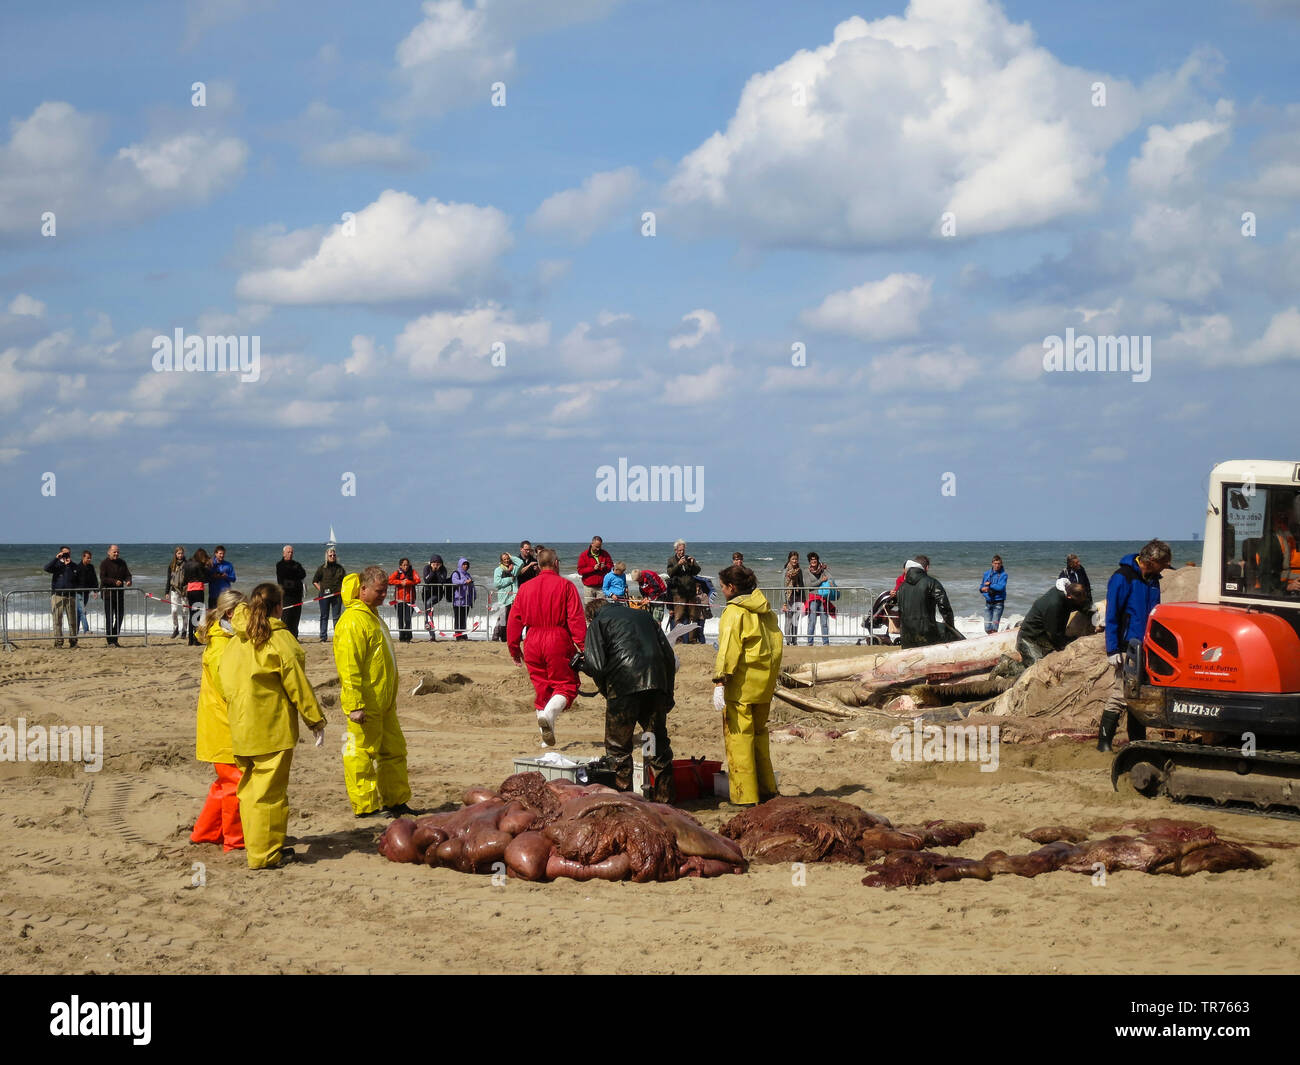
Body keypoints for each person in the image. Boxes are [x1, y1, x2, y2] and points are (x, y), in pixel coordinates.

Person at [218, 583, 325, 869]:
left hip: (242, 727)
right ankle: (265, 855)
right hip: (271, 729)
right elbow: (297, 684)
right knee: (270, 794)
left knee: (250, 791)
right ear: (279, 607)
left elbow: (222, 678)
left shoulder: (236, 641)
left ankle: (259, 847)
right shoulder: (280, 640)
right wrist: (314, 720)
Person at [334, 567, 412, 817]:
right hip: (365, 704)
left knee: (394, 750)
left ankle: (396, 800)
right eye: (379, 591)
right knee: (360, 754)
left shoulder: (372, 616)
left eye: (385, 591)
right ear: (363, 589)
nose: (383, 595)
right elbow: (349, 667)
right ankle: (365, 808)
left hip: (384, 701)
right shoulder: (352, 621)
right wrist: (355, 703)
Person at [581, 598, 676, 801]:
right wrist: (668, 691)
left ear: (590, 616)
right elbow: (668, 655)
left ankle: (625, 801)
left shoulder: (598, 623)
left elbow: (596, 665)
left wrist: (582, 666)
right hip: (656, 682)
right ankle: (663, 801)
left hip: (624, 687)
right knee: (656, 743)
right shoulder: (644, 616)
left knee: (618, 748)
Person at [712, 564, 782, 806]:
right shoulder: (766, 611)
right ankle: (767, 789)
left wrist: (720, 681)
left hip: (740, 687)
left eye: (722, 586)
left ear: (732, 588)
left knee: (739, 739)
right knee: (760, 736)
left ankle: (745, 796)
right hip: (763, 686)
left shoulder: (734, 612)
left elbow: (729, 650)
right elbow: (775, 647)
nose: (721, 591)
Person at [507, 547, 586, 747]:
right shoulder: (566, 586)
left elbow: (514, 621)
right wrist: (584, 647)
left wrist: (514, 650)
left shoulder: (525, 588)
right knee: (566, 685)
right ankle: (549, 716)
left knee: (542, 687)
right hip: (557, 638)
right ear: (556, 563)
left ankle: (545, 737)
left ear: (538, 565)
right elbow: (575, 620)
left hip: (532, 638)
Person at [1098, 539, 1172, 752]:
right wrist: (1112, 649)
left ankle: (1137, 742)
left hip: (1148, 647)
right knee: (1121, 694)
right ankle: (1103, 743)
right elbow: (1112, 616)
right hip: (1126, 647)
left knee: (1139, 696)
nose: (1165, 568)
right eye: (1164, 564)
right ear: (1151, 561)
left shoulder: (1153, 579)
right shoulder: (1122, 578)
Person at [191, 588, 247, 852]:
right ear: (231, 613)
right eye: (244, 611)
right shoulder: (221, 645)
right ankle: (235, 839)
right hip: (222, 723)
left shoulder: (227, 639)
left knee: (225, 781)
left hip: (221, 721)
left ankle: (206, 832)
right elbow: (230, 688)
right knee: (235, 781)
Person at [1017, 581, 1089, 669]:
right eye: (1078, 601)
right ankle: (1006, 664)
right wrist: (1064, 644)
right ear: (1069, 597)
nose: (1079, 604)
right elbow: (1053, 632)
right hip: (1029, 638)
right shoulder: (1054, 604)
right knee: (1036, 667)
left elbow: (1082, 605)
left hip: (1043, 636)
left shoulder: (1069, 592)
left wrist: (1094, 615)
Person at [897, 555, 955, 648]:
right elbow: (944, 607)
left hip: (906, 635)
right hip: (927, 633)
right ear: (927, 567)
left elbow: (900, 612)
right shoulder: (931, 582)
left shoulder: (901, 587)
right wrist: (951, 628)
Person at [44, 546, 80, 649]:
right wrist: (56, 558)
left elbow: (78, 579)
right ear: (60, 553)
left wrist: (69, 566)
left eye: (68, 553)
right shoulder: (57, 565)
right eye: (64, 553)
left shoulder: (73, 566)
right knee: (57, 620)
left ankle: (73, 641)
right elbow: (46, 568)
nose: (66, 555)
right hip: (57, 596)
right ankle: (58, 642)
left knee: (72, 621)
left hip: (70, 596)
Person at [666, 539, 701, 638]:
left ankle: (692, 638)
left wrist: (693, 563)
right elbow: (670, 573)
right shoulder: (671, 560)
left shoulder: (688, 558)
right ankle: (679, 638)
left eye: (683, 550)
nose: (682, 552)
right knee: (679, 616)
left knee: (693, 616)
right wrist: (679, 565)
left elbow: (697, 571)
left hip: (691, 592)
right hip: (678, 592)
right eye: (680, 550)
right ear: (676, 550)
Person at [99, 544, 132, 647]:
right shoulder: (104, 563)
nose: (116, 554)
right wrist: (114, 582)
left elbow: (128, 574)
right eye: (114, 552)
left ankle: (115, 638)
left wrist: (128, 581)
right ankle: (110, 641)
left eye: (117, 552)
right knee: (109, 618)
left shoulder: (122, 562)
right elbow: (103, 578)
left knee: (120, 616)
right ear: (109, 552)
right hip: (108, 594)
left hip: (119, 594)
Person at [313, 546, 345, 642]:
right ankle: (323, 636)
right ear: (327, 556)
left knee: (336, 617)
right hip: (324, 596)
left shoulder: (340, 568)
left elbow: (345, 581)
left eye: (334, 555)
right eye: (330, 555)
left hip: (337, 596)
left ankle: (338, 636)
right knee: (324, 616)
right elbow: (315, 581)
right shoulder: (322, 568)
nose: (332, 557)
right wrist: (321, 590)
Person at [276, 545, 308, 639]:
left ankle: (294, 637)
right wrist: (294, 576)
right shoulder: (280, 565)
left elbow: (303, 574)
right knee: (286, 618)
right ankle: (286, 638)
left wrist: (293, 576)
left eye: (291, 552)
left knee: (296, 618)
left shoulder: (296, 564)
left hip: (297, 596)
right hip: (286, 596)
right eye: (288, 552)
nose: (290, 554)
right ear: (284, 553)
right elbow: (283, 578)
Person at [804, 552, 835, 646]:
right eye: (811, 560)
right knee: (812, 622)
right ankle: (810, 643)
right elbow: (809, 585)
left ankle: (826, 643)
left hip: (823, 599)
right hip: (813, 598)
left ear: (817, 560)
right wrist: (821, 581)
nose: (813, 561)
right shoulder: (806, 571)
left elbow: (831, 578)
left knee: (824, 622)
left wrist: (826, 571)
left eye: (815, 559)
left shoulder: (822, 570)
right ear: (809, 561)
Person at [183, 548, 210, 645]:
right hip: (198, 590)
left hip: (190, 590)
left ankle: (190, 639)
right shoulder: (198, 565)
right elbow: (203, 578)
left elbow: (185, 579)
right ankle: (196, 639)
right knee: (197, 615)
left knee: (191, 613)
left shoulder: (187, 564)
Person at [388, 558, 418, 643]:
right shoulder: (397, 572)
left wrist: (407, 582)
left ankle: (408, 636)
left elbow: (417, 580)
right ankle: (401, 637)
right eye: (404, 565)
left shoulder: (413, 572)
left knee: (408, 619)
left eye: (407, 565)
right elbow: (389, 580)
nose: (406, 566)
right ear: (400, 566)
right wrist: (400, 582)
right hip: (398, 600)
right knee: (400, 619)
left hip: (410, 599)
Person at [421, 554, 450, 640]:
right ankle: (431, 634)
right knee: (429, 612)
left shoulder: (443, 569)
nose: (436, 564)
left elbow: (442, 581)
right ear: (430, 563)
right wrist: (432, 571)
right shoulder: (426, 568)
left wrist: (437, 571)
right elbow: (427, 580)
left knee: (429, 604)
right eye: (434, 563)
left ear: (441, 563)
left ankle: (428, 624)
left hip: (437, 594)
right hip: (426, 592)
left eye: (438, 563)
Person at [577, 535, 614, 602]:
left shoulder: (605, 554)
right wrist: (593, 568)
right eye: (596, 547)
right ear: (592, 544)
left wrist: (605, 567)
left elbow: (611, 566)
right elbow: (580, 571)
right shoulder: (584, 555)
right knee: (589, 608)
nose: (598, 549)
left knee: (602, 608)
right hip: (589, 587)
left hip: (602, 587)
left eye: (599, 547)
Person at [979, 555, 1009, 634]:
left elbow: (1001, 587)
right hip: (988, 603)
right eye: (995, 563)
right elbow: (981, 586)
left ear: (1001, 564)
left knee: (994, 629)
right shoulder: (986, 574)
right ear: (992, 563)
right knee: (987, 628)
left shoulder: (1004, 575)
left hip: (998, 603)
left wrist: (990, 585)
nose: (997, 565)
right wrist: (982, 589)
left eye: (999, 563)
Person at [493, 552, 518, 641]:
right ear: (501, 561)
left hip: (512, 598)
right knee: (502, 619)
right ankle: (495, 637)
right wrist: (509, 579)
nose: (507, 560)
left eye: (508, 559)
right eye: (505, 559)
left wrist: (516, 595)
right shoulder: (498, 570)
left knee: (508, 619)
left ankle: (504, 637)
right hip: (503, 597)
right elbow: (497, 583)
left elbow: (520, 563)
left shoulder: (513, 569)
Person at [782, 550, 804, 646]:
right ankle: (787, 641)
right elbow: (782, 586)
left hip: (797, 597)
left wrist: (804, 598)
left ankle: (794, 641)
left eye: (796, 559)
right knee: (788, 621)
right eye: (793, 559)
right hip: (788, 598)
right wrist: (784, 602)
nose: (795, 561)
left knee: (795, 621)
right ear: (789, 559)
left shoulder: (799, 570)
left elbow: (802, 584)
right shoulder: (785, 571)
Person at [450, 557, 475, 639]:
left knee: (464, 619)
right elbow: (454, 581)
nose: (465, 566)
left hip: (467, 601)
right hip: (458, 601)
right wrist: (464, 582)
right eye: (463, 564)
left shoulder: (468, 575)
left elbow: (472, 586)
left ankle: (464, 635)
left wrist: (474, 596)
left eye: (466, 564)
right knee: (458, 619)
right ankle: (458, 636)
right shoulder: (456, 573)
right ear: (460, 565)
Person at [75, 549, 97, 636]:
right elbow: (73, 580)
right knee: (83, 611)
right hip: (78, 593)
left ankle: (74, 631)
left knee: (79, 612)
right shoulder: (77, 567)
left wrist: (95, 591)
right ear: (83, 557)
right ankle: (86, 629)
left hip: (87, 592)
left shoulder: (91, 567)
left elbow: (94, 579)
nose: (89, 560)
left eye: (90, 558)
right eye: (88, 558)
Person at [166, 547, 187, 638]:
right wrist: (167, 591)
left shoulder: (187, 564)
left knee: (185, 611)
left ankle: (184, 631)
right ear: (175, 554)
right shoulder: (171, 565)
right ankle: (175, 628)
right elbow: (168, 579)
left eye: (181, 553)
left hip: (184, 591)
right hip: (174, 590)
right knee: (174, 610)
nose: (180, 555)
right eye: (178, 553)